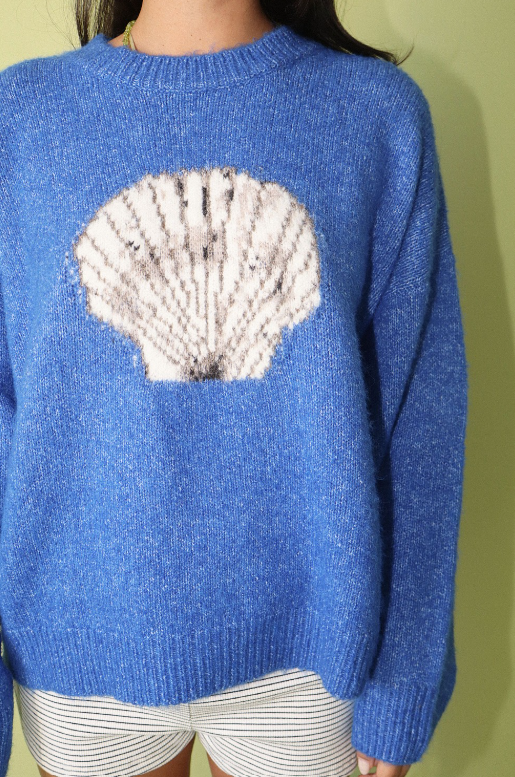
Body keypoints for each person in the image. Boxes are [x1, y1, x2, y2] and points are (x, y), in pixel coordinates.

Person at [0, 1, 468, 776]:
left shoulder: (375, 115)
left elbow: (421, 420)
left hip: (310, 658)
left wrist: (404, 680)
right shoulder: (21, 116)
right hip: (79, 645)